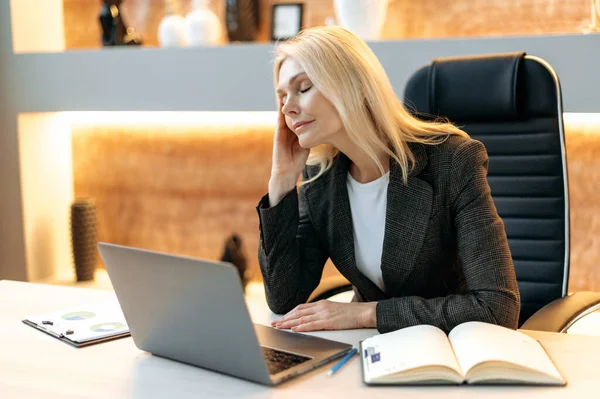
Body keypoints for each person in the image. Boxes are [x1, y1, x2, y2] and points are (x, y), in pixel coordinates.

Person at [256, 26, 520, 334]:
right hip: (371, 352)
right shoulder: (320, 181)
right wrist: (281, 181)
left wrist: (367, 314)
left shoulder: (452, 162)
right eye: (282, 96)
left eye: (302, 88)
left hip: (453, 352)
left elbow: (497, 307)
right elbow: (284, 298)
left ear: (354, 85)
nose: (287, 107)